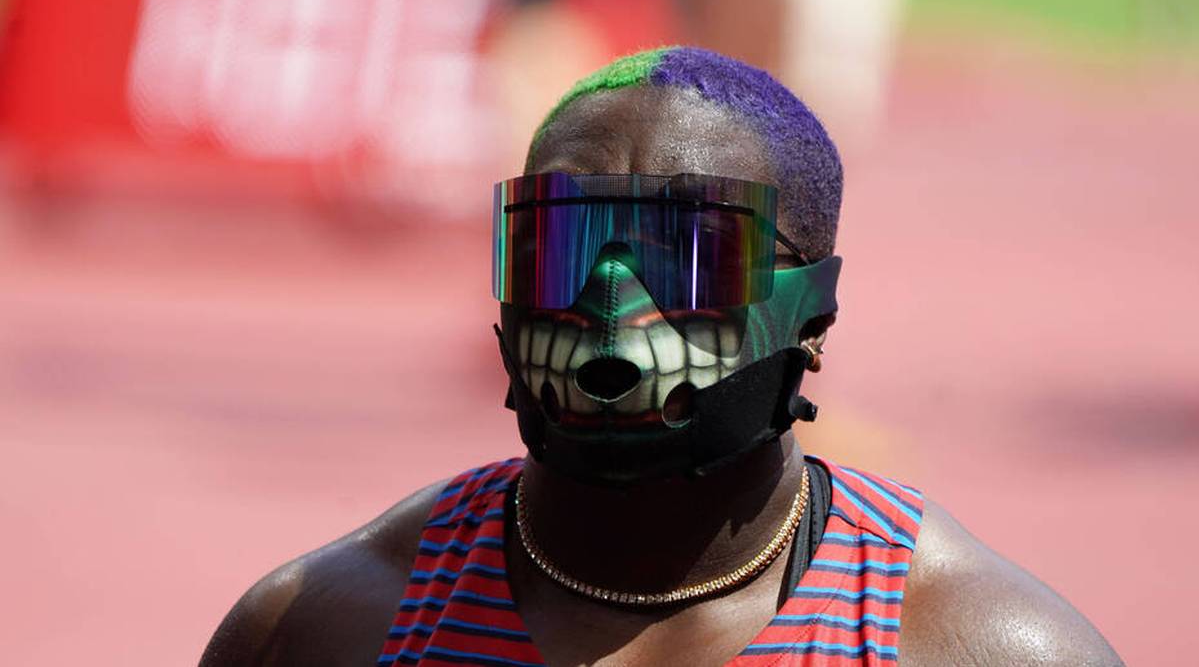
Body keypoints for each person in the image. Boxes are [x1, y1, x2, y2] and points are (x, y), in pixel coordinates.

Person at [199, 47, 1122, 666]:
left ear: (817, 311)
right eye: (560, 248)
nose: (613, 313)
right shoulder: (331, 626)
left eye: (691, 259)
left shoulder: (965, 645)